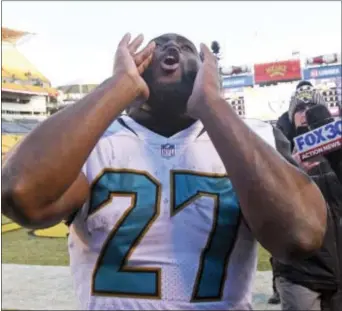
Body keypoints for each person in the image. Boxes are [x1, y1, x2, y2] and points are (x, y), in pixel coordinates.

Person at [2, 33, 327, 310]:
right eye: (157, 46)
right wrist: (117, 87)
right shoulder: (93, 142)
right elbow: (20, 194)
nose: (170, 49)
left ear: (208, 73)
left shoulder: (253, 137)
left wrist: (212, 105)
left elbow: (300, 238)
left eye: (185, 48)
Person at [272, 83, 342, 311]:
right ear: (291, 116)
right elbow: (267, 213)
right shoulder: (275, 148)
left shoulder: (338, 150)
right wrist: (292, 171)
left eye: (312, 106)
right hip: (300, 273)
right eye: (299, 108)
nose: (305, 113)